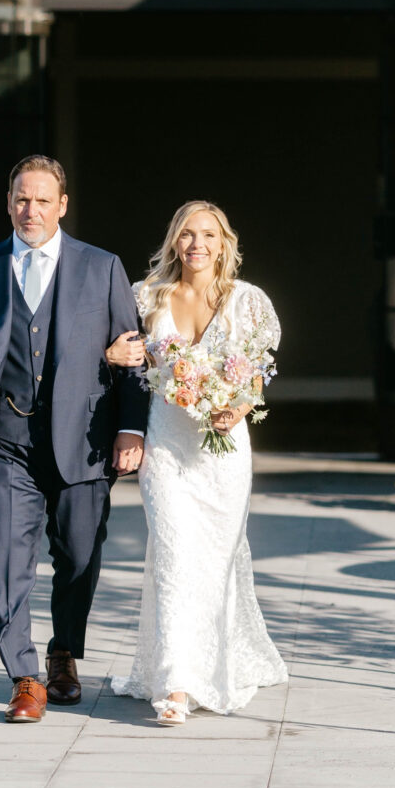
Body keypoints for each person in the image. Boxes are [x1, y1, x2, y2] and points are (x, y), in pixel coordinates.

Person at [0, 155, 149, 723]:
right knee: (5, 557)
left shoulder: (102, 268)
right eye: (21, 199)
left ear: (63, 205)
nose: (31, 210)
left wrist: (132, 428)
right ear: (9, 203)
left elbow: (134, 356)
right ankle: (25, 676)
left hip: (84, 442)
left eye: (42, 200)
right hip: (6, 442)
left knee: (79, 557)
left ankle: (62, 655)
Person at [109, 200, 288, 725]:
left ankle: (217, 663)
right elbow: (122, 361)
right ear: (174, 241)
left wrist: (241, 403)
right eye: (187, 234)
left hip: (225, 449)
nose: (197, 245)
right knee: (173, 553)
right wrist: (111, 357)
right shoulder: (148, 297)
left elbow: (259, 370)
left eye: (208, 235)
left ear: (224, 242)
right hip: (166, 446)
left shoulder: (247, 301)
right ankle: (177, 684)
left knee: (214, 558)